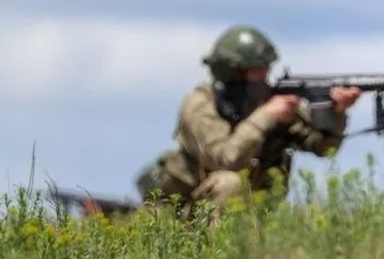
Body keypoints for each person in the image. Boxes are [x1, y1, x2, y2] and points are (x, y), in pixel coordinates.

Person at [134, 25, 363, 215]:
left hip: (252, 213)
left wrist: (336, 114)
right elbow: (226, 159)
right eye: (258, 70)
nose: (266, 76)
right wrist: (266, 117)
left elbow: (323, 148)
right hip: (186, 214)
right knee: (229, 182)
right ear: (234, 71)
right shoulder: (200, 106)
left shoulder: (266, 101)